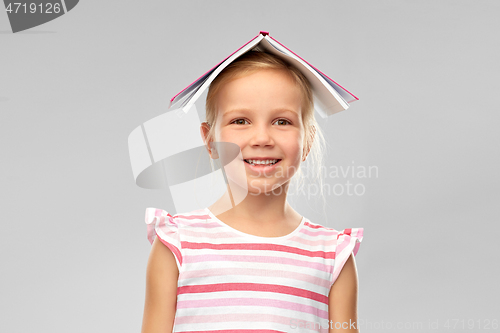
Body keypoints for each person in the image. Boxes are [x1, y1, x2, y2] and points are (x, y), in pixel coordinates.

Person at [141, 50, 364, 333]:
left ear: (308, 140)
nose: (261, 138)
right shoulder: (177, 244)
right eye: (240, 121)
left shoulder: (332, 256)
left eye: (282, 121)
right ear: (210, 141)